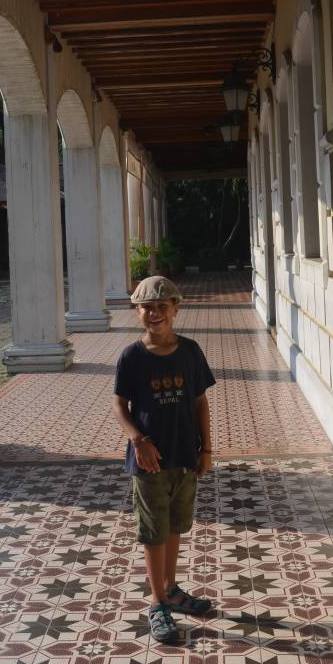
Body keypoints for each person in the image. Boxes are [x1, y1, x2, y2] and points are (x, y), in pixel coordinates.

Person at [112, 275, 216, 643]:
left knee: (173, 526)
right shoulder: (132, 357)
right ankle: (157, 603)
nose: (154, 313)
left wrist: (206, 449)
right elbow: (120, 405)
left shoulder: (190, 351)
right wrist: (138, 440)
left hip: (184, 455)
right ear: (137, 312)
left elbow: (200, 401)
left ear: (175, 309)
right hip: (149, 462)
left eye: (161, 306)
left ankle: (171, 589)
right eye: (146, 307)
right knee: (153, 531)